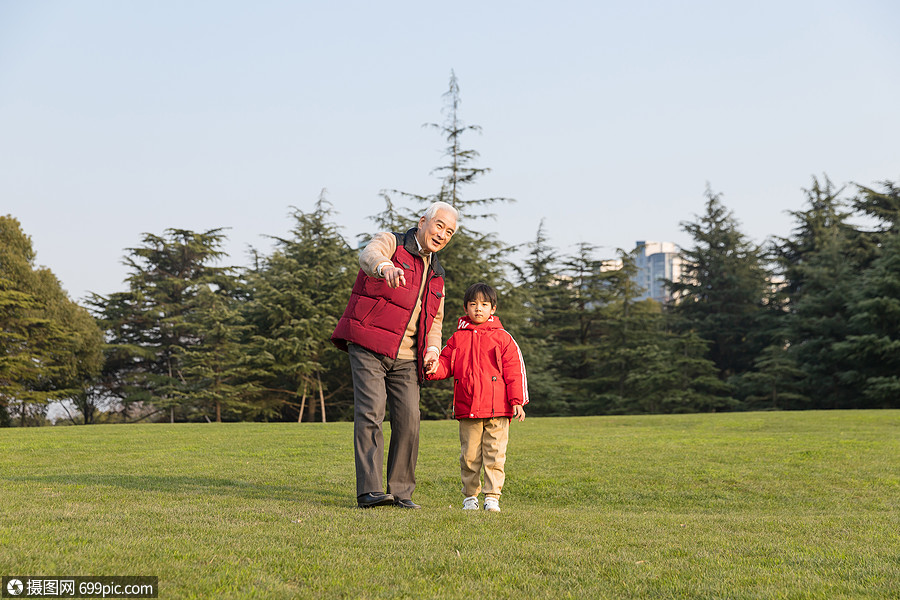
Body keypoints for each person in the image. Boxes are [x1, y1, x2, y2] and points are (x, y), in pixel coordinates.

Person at [331, 201, 458, 509]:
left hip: (407, 358)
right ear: (423, 221)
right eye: (439, 225)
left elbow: (435, 321)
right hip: (369, 344)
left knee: (409, 420)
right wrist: (385, 267)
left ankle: (401, 493)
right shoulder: (393, 242)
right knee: (371, 412)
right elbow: (368, 254)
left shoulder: (438, 275)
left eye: (450, 232)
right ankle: (370, 491)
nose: (442, 234)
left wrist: (431, 351)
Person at [425, 282, 528, 513]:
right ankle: (470, 497)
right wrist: (433, 368)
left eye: (484, 304)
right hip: (468, 408)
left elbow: (515, 371)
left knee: (495, 455)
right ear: (465, 308)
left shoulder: (503, 338)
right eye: (473, 304)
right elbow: (444, 364)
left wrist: (517, 401)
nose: (478, 309)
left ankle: (492, 497)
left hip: (498, 410)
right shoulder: (457, 338)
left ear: (493, 308)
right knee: (470, 457)